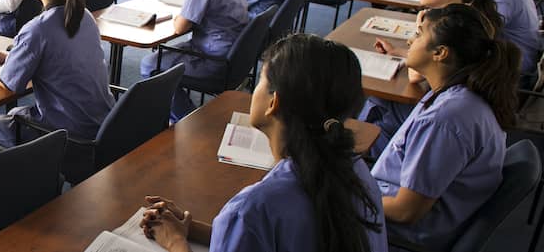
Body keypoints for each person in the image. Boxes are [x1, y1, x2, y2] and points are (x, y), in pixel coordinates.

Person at [140, 34, 387, 252]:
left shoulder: (252, 208)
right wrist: (191, 228)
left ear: (273, 103)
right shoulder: (356, 172)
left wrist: (175, 243)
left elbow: (255, 224)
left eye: (260, 80)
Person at [371, 4, 517, 250]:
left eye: (418, 34)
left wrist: (348, 200)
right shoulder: (459, 93)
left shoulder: (446, 120)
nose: (409, 41)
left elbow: (406, 211)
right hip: (391, 198)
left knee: (298, 203)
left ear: (440, 53)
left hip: (398, 232)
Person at [362, 0, 503, 158]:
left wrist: (420, 27)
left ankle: (362, 150)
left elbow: (414, 76)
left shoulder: (458, 29)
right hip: (439, 97)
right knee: (377, 102)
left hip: (432, 103)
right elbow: (432, 58)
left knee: (378, 103)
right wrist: (400, 51)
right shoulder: (460, 22)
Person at [0, 0, 114, 147]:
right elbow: (57, 59)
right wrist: (8, 58)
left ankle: (37, 173)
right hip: (104, 125)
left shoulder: (37, 29)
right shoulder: (84, 16)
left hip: (70, 135)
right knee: (15, 114)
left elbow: (9, 83)